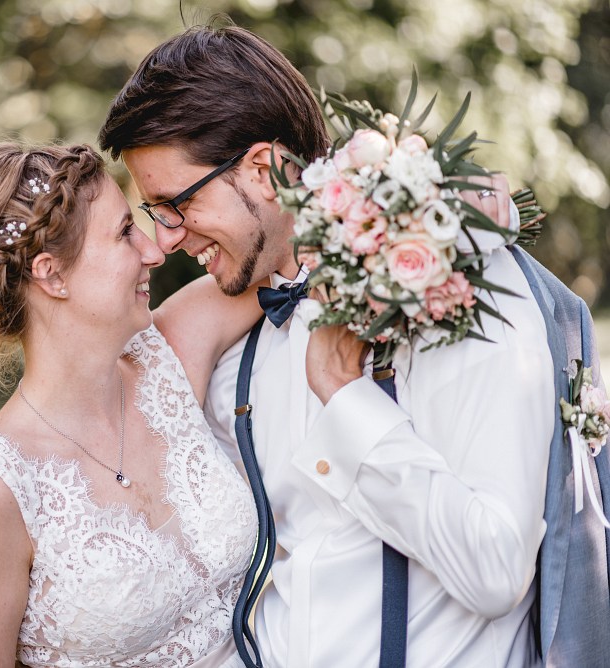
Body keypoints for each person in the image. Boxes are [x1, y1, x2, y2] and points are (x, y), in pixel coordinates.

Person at [99, 21, 554, 667]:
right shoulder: (229, 344)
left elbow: (496, 569)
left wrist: (346, 398)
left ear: (262, 168)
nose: (167, 238)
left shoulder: (453, 284)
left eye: (176, 203)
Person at [0, 142, 270, 667]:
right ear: (51, 274)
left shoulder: (172, 354)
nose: (154, 250)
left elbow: (286, 252)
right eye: (124, 233)